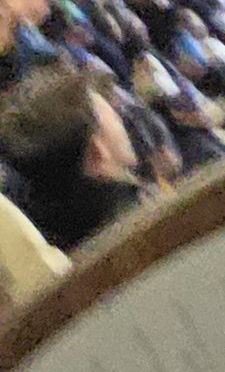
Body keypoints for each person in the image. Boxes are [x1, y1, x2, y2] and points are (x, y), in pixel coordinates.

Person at [0, 62, 145, 253]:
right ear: (98, 150)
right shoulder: (137, 225)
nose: (120, 118)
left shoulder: (51, 232)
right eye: (114, 117)